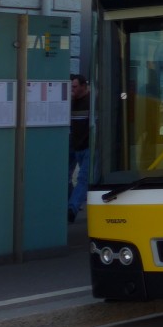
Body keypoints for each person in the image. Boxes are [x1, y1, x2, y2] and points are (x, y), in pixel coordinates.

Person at [68, 73, 91, 223]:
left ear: (83, 86)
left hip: (88, 146)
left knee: (83, 178)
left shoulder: (90, 101)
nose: (73, 90)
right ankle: (70, 204)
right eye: (71, 87)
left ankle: (72, 208)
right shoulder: (71, 102)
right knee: (65, 176)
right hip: (74, 145)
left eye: (75, 87)